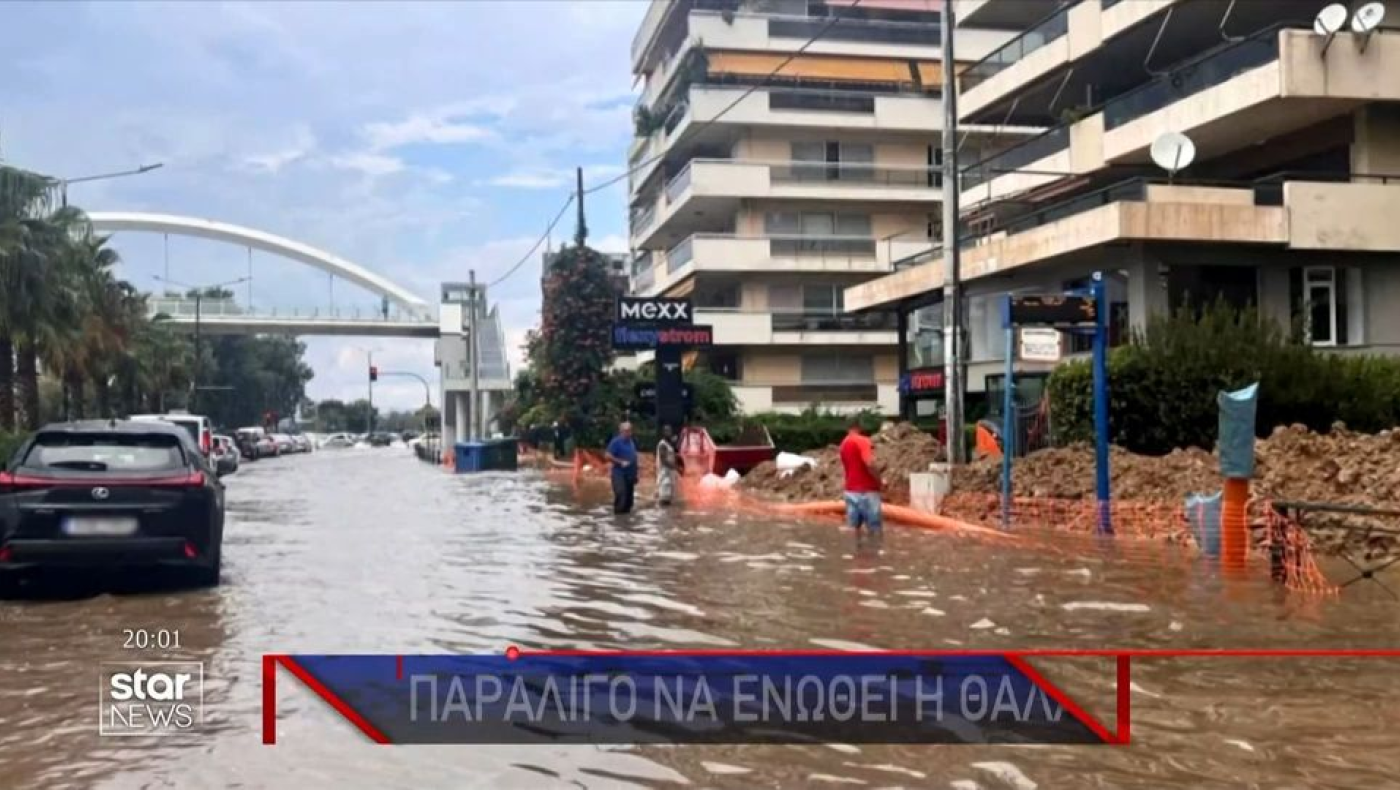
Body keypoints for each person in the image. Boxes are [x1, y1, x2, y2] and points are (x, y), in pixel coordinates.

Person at [839, 418, 883, 532]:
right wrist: (880, 480)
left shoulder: (843, 444)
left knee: (853, 529)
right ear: (860, 427)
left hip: (850, 491)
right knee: (874, 531)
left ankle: (853, 550)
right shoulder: (862, 441)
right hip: (867, 492)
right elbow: (869, 463)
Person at [605, 421, 639, 514]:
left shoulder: (632, 442)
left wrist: (636, 474)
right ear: (621, 431)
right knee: (621, 494)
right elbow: (607, 456)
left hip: (630, 475)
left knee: (629, 501)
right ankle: (618, 520)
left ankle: (625, 524)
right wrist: (620, 462)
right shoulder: (616, 442)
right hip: (619, 474)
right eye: (626, 431)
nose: (629, 433)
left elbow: (634, 458)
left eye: (630, 431)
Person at [656, 424, 681, 506]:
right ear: (663, 433)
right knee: (664, 498)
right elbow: (664, 461)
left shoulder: (669, 444)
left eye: (670, 431)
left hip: (670, 474)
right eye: (666, 431)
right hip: (664, 474)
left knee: (670, 498)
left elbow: (673, 455)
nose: (669, 433)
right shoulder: (662, 444)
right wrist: (676, 467)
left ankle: (667, 516)